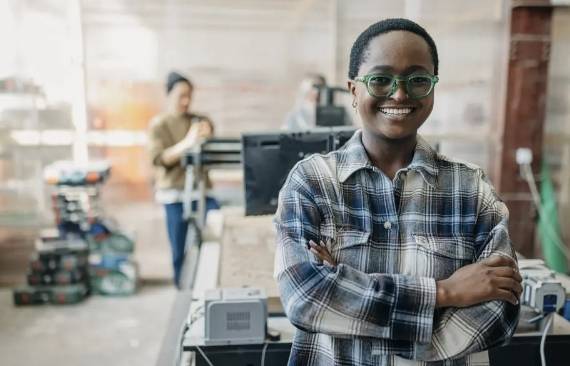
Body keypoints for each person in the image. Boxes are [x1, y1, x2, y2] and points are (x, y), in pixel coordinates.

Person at [274, 18, 521, 365]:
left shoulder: (471, 189)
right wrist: (446, 292)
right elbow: (306, 297)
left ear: (433, 87)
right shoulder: (312, 183)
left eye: (418, 79)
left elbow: (500, 312)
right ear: (354, 89)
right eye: (381, 79)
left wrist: (348, 296)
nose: (400, 93)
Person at [148, 71, 220, 288]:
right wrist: (188, 142)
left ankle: (208, 285)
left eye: (189, 95)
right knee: (178, 249)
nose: (186, 101)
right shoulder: (159, 124)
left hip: (201, 192)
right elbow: (159, 158)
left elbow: (212, 154)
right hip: (174, 195)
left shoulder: (200, 121)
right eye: (181, 95)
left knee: (216, 229)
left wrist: (207, 137)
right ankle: (181, 291)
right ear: (168, 95)